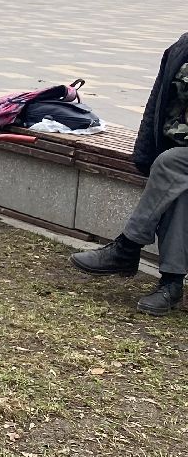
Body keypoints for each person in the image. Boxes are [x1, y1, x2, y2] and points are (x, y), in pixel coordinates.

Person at [70, 31, 188, 315]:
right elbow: (157, 104)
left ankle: (128, 247)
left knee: (172, 164)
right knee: (179, 189)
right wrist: (145, 153)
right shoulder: (183, 46)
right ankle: (171, 285)